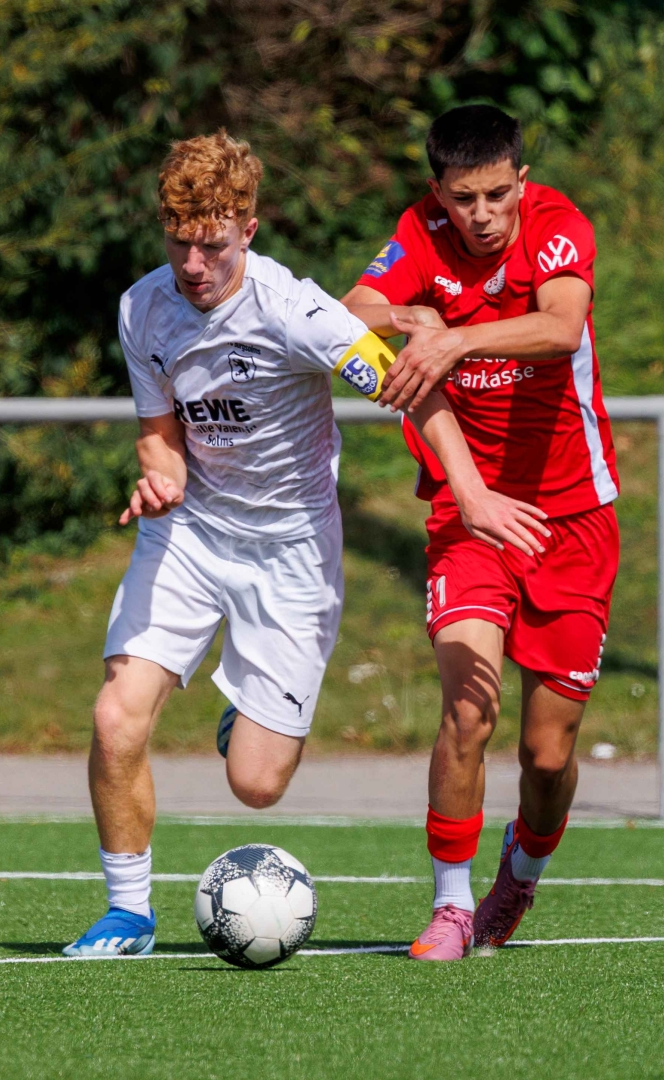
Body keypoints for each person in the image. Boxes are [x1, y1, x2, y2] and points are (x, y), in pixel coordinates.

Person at [63, 130, 544, 957]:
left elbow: (412, 389)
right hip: (190, 534)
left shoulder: (298, 313)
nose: (192, 265)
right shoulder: (142, 308)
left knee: (255, 784)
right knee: (115, 717)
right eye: (178, 243)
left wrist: (469, 495)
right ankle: (128, 913)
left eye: (212, 245)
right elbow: (158, 435)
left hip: (289, 553)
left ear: (247, 230)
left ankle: (245, 716)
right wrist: (159, 477)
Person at [342, 104, 619, 961]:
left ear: (520, 182)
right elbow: (349, 310)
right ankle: (451, 905)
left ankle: (519, 875)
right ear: (438, 193)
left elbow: (559, 326)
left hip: (572, 517)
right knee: (467, 709)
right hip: (468, 517)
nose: (483, 215)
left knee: (547, 756)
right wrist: (405, 321)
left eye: (497, 194)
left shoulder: (557, 225)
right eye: (463, 199)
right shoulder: (418, 234)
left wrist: (453, 339)